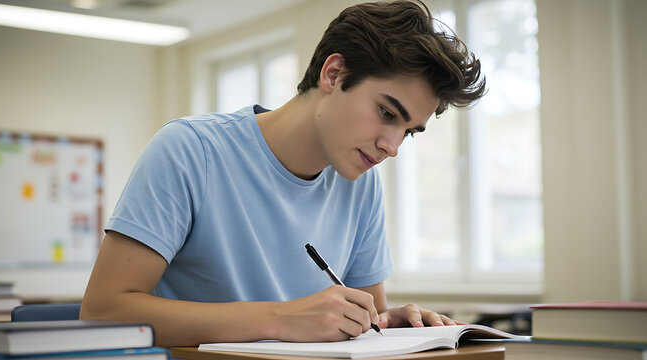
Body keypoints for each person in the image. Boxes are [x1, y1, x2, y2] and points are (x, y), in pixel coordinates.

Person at [80, 0, 485, 347]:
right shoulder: (190, 150)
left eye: (408, 132)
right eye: (386, 113)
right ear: (334, 74)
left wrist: (388, 322)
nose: (392, 147)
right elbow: (101, 313)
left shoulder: (361, 184)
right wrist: (280, 319)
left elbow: (364, 320)